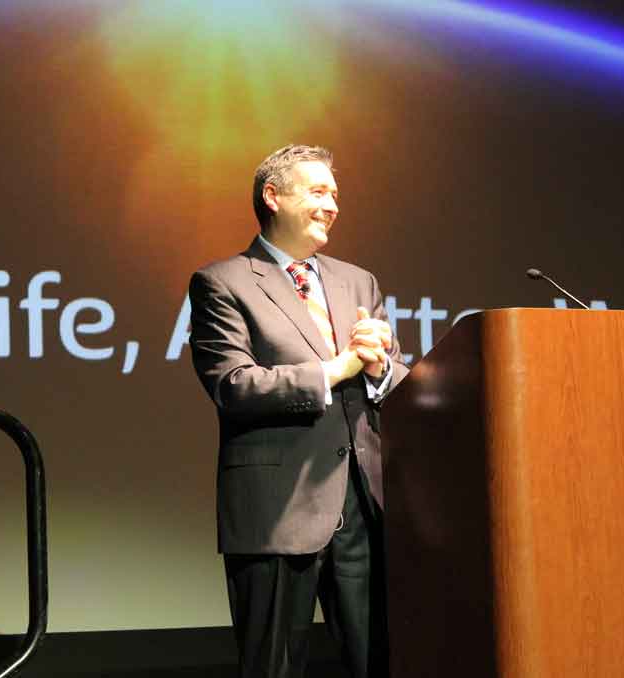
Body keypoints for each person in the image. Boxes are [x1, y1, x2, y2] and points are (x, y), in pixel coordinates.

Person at [189, 144, 409, 678]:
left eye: (335, 194)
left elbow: (392, 380)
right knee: (273, 668)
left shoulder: (359, 281)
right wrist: (335, 370)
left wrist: (379, 368)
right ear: (273, 196)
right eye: (318, 191)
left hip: (360, 506)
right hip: (277, 510)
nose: (332, 204)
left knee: (380, 661)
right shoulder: (224, 282)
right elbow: (233, 384)